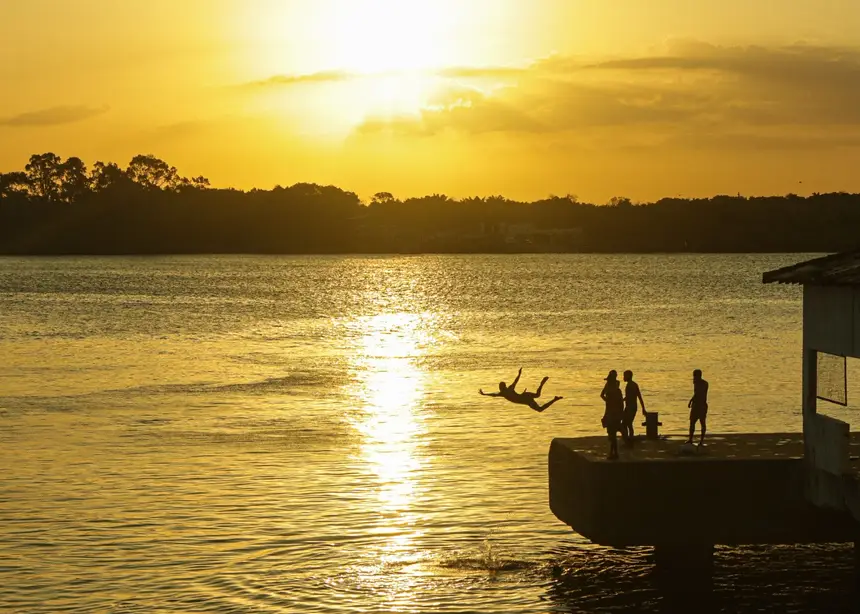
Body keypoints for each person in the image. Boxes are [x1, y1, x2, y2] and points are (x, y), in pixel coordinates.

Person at [480, 367, 563, 413]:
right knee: (538, 396)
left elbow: (493, 394)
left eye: (500, 387)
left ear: (502, 387)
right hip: (525, 396)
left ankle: (554, 398)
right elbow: (494, 394)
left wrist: (484, 394)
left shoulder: (503, 393)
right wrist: (519, 374)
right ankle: (543, 386)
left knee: (540, 409)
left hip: (525, 399)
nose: (500, 389)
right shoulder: (507, 390)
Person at [600, 370, 624, 459]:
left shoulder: (614, 390)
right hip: (612, 413)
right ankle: (614, 452)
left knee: (612, 433)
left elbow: (602, 395)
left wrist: (608, 401)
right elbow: (602, 395)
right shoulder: (617, 391)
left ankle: (613, 453)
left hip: (612, 413)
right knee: (612, 433)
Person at [622, 370, 646, 444]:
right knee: (627, 424)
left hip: (630, 407)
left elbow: (631, 397)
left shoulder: (630, 385)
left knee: (626, 424)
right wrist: (643, 408)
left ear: (629, 376)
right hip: (631, 407)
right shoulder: (634, 384)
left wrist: (620, 400)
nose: (623, 377)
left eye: (625, 376)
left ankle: (628, 440)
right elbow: (639, 396)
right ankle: (629, 439)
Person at [687, 369, 709, 447]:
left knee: (702, 422)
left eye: (695, 376)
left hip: (701, 405)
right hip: (695, 405)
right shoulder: (695, 383)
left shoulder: (704, 384)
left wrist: (692, 400)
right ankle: (690, 439)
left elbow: (699, 393)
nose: (694, 378)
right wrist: (691, 401)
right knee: (692, 422)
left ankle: (701, 441)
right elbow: (695, 393)